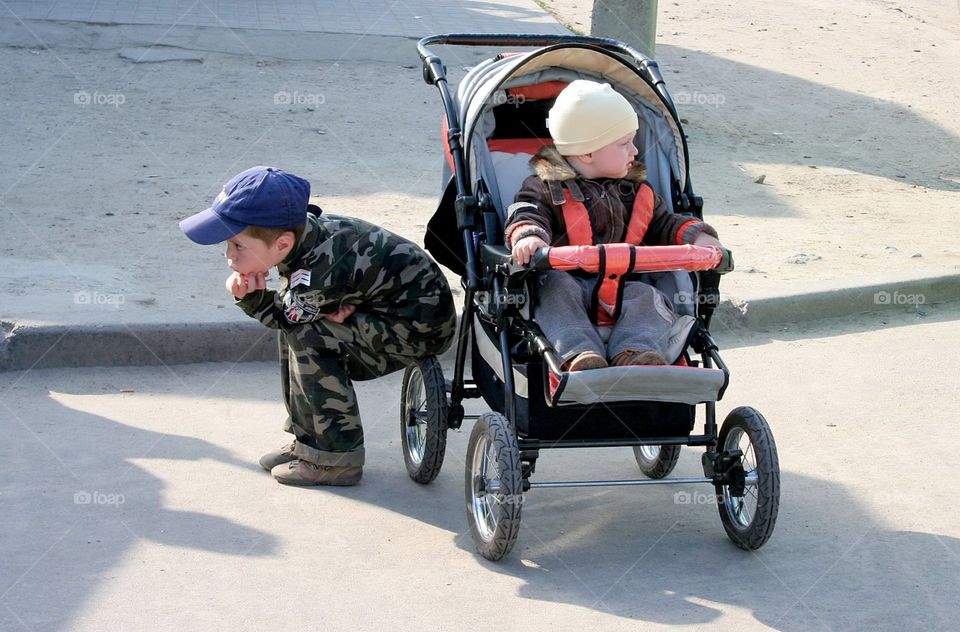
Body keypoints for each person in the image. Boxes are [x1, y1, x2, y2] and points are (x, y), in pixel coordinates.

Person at [180, 166, 456, 486]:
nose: (229, 256)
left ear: (282, 244)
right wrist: (329, 307)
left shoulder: (316, 272)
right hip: (390, 311)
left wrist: (253, 299)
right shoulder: (304, 238)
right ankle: (308, 441)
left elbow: (287, 316)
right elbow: (298, 307)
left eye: (238, 246)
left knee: (310, 335)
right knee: (301, 327)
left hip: (420, 330)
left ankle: (336, 461)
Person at [504, 80, 726, 371]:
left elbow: (664, 223)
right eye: (624, 144)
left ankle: (636, 351)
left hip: (621, 286)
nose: (635, 151)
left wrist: (698, 237)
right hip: (566, 280)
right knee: (554, 290)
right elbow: (526, 212)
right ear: (588, 152)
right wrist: (529, 236)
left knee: (648, 297)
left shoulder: (637, 192)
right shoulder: (545, 187)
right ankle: (579, 353)